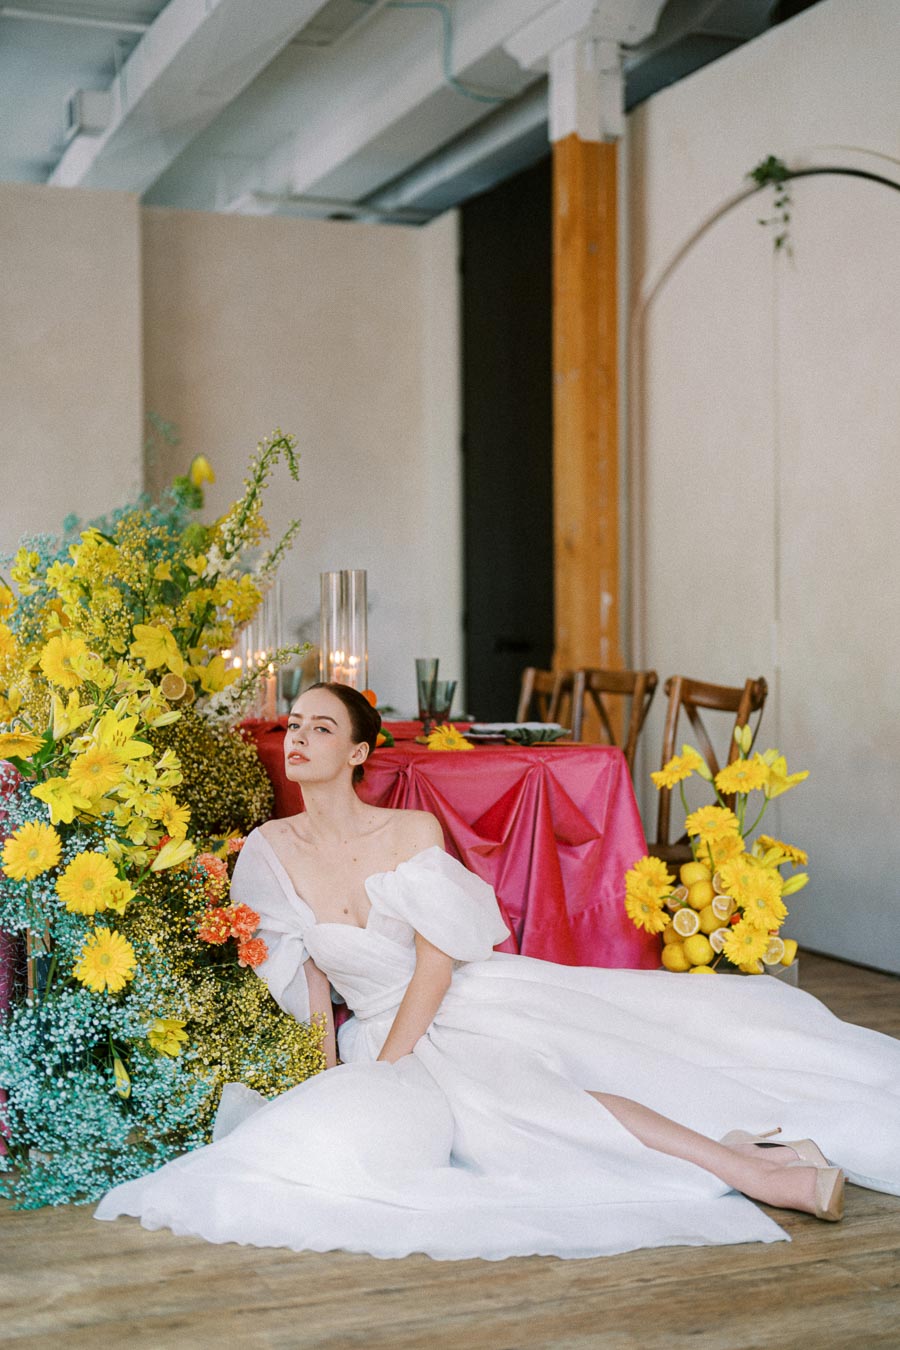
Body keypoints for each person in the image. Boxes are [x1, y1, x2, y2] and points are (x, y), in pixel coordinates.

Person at [95, 683, 900, 1260]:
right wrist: (333, 1073)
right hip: (377, 1026)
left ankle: (759, 1169)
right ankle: (766, 1163)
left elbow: (440, 963)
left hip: (460, 1001)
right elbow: (305, 979)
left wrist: (397, 1063)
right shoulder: (267, 854)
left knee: (535, 1090)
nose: (299, 738)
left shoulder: (410, 831)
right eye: (294, 724)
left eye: (321, 727)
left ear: (361, 752)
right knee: (509, 1126)